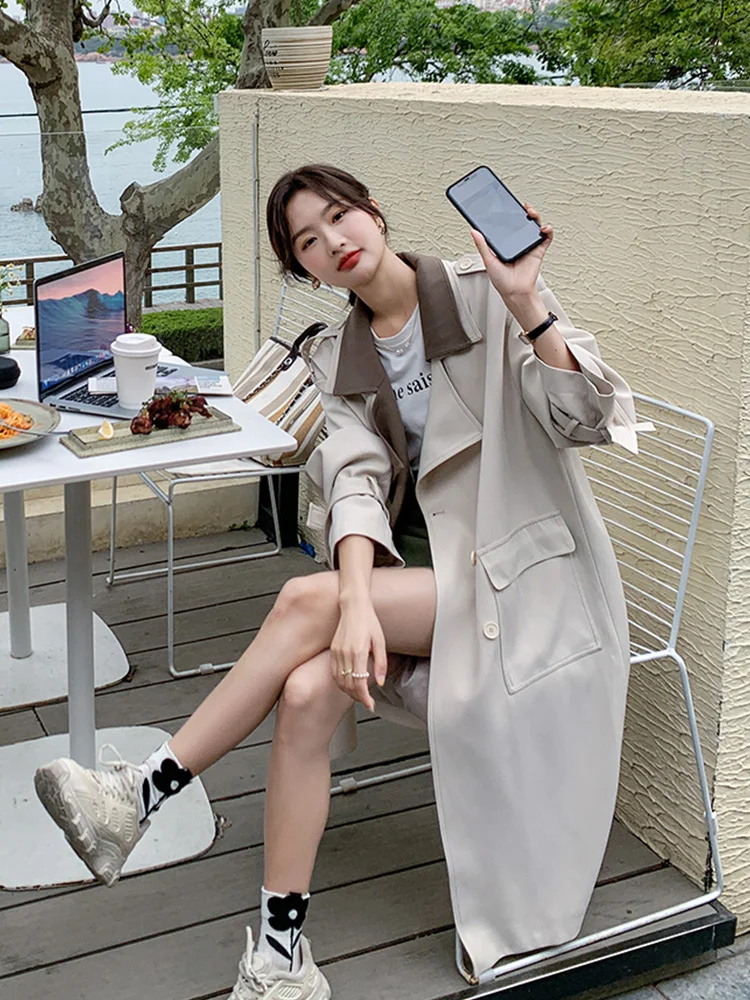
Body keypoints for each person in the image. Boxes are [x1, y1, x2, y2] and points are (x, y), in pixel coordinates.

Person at [34, 164, 638, 998]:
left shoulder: (485, 294)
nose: (334, 242)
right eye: (308, 242)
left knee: (304, 597)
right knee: (308, 688)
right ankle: (282, 955)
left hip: (528, 587)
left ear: (375, 214)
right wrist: (357, 604)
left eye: (340, 216)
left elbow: (590, 419)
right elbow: (354, 482)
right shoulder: (337, 354)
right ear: (305, 269)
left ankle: (141, 794)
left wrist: (528, 299)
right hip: (428, 589)